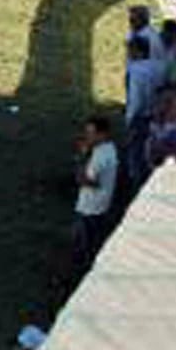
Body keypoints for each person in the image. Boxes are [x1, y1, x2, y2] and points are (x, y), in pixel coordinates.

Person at [74, 116, 118, 272]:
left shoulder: (101, 156)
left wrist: (81, 157)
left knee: (87, 245)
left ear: (103, 135)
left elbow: (85, 180)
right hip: (99, 205)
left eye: (91, 133)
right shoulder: (108, 150)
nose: (87, 137)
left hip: (91, 208)